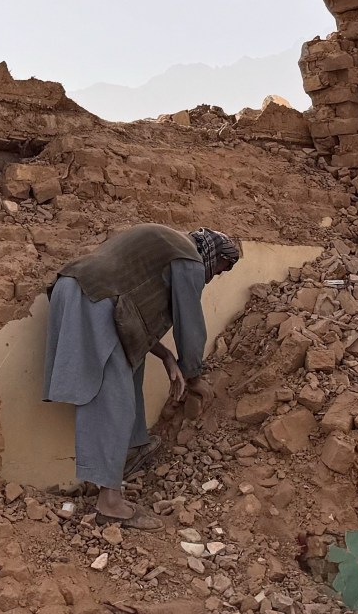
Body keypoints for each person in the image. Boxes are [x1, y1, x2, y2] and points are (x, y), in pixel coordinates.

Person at [43, 224, 241, 528]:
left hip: (75, 288)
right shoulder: (190, 258)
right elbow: (190, 323)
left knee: (129, 363)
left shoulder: (165, 245)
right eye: (223, 268)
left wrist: (165, 357)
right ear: (215, 254)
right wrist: (194, 375)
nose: (217, 275)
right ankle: (109, 503)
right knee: (112, 397)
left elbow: (133, 316)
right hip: (95, 301)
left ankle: (133, 448)